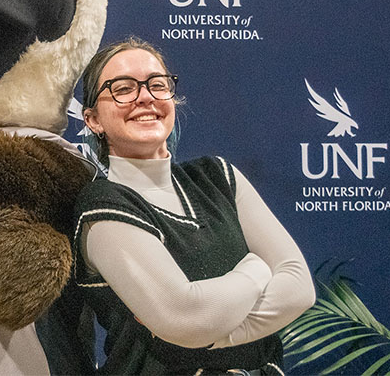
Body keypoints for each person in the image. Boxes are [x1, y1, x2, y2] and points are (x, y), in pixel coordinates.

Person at [73, 38, 316, 375]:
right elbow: (187, 317)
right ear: (92, 119)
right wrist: (258, 269)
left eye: (157, 85)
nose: (145, 97)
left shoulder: (218, 176)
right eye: (123, 89)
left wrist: (214, 333)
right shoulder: (103, 204)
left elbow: (299, 288)